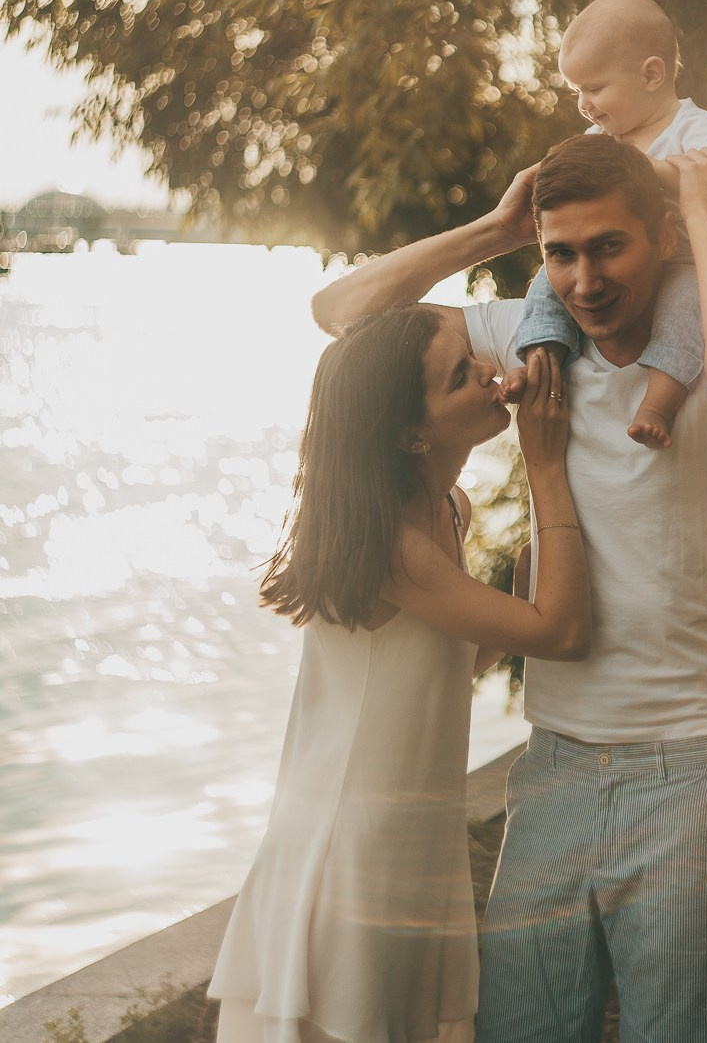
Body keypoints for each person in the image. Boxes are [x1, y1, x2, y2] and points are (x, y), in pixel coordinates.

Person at [311, 132, 707, 1042]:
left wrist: (702, 208)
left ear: (660, 240)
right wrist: (494, 229)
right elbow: (343, 314)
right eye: (559, 255)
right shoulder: (532, 334)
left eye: (608, 246)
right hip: (555, 766)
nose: (583, 280)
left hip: (688, 769)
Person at [208, 305, 591, 1043]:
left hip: (406, 838)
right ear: (412, 433)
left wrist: (502, 615)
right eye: (460, 377)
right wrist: (543, 464)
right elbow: (563, 631)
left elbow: (438, 668)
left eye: (474, 357)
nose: (488, 375)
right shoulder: (390, 541)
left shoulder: (448, 508)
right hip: (350, 850)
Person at [511, 0, 707, 450]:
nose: (584, 105)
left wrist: (636, 170)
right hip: (630, 256)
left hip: (689, 257)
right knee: (544, 285)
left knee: (686, 314)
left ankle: (658, 404)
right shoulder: (600, 136)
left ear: (651, 74)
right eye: (577, 92)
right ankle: (539, 360)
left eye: (594, 88)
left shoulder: (693, 125)